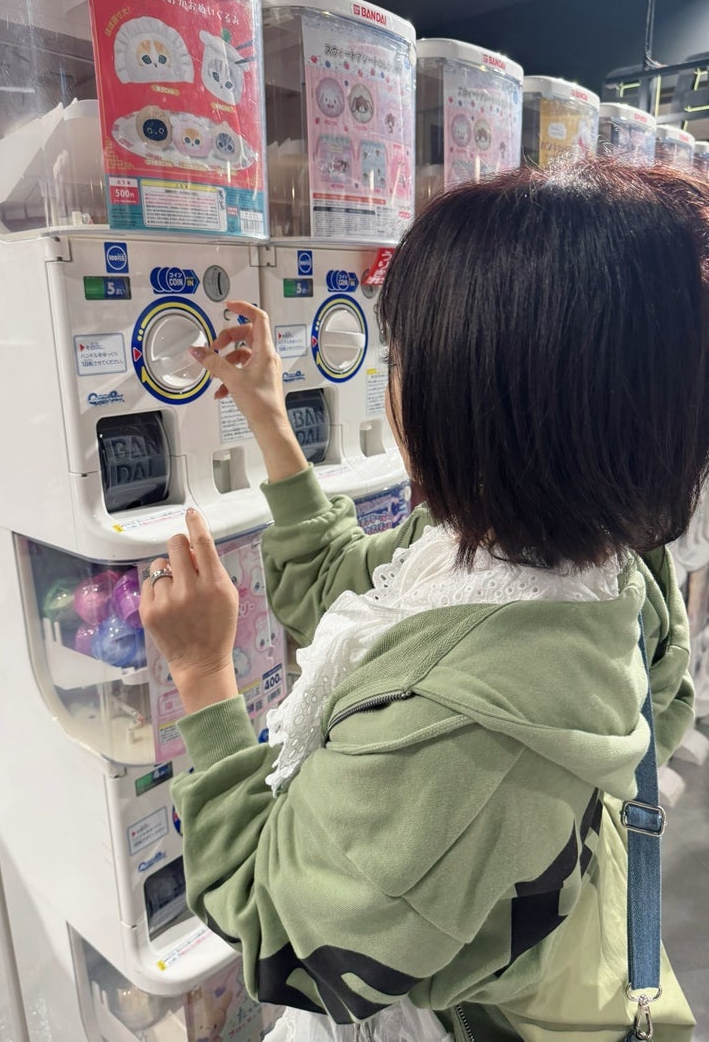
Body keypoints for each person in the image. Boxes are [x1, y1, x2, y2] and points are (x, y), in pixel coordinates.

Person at [139, 158, 707, 1041]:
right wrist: (269, 417)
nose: (391, 383)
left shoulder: (464, 728)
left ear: (484, 402)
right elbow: (342, 580)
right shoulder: (608, 565)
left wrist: (204, 675)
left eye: (404, 359)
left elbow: (278, 926)